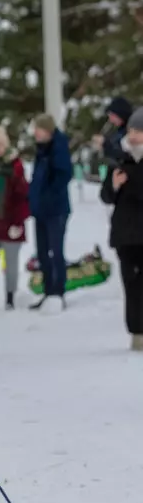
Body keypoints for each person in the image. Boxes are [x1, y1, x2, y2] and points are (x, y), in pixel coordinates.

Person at [100, 107, 143, 350]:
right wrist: (114, 186)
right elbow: (105, 196)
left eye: (139, 131)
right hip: (125, 234)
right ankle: (137, 333)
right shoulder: (119, 159)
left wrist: (131, 182)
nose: (133, 136)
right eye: (131, 130)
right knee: (131, 284)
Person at [28, 113, 73, 311]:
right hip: (40, 210)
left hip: (56, 210)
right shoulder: (41, 149)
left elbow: (64, 175)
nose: (35, 133)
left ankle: (58, 292)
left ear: (48, 130)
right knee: (42, 253)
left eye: (38, 129)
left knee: (56, 251)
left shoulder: (58, 148)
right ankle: (48, 291)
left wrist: (48, 196)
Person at [0, 125, 29, 309]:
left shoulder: (16, 167)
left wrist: (18, 223)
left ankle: (10, 297)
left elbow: (22, 197)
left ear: (6, 145)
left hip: (11, 224)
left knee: (10, 264)